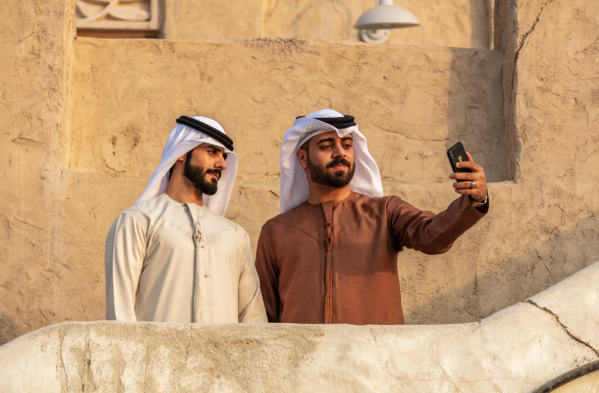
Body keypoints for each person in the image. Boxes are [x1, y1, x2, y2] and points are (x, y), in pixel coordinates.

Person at [255, 109, 488, 325]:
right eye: (326, 146)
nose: (340, 153)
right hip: (302, 366)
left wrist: (474, 200)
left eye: (347, 145)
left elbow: (432, 235)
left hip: (377, 365)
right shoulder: (276, 232)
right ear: (303, 159)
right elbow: (264, 315)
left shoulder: (385, 212)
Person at [105, 115, 267, 324]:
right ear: (181, 152)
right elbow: (120, 316)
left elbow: (253, 319)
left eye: (224, 156)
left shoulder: (235, 235)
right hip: (157, 356)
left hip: (223, 357)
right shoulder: (137, 222)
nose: (222, 164)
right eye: (212, 151)